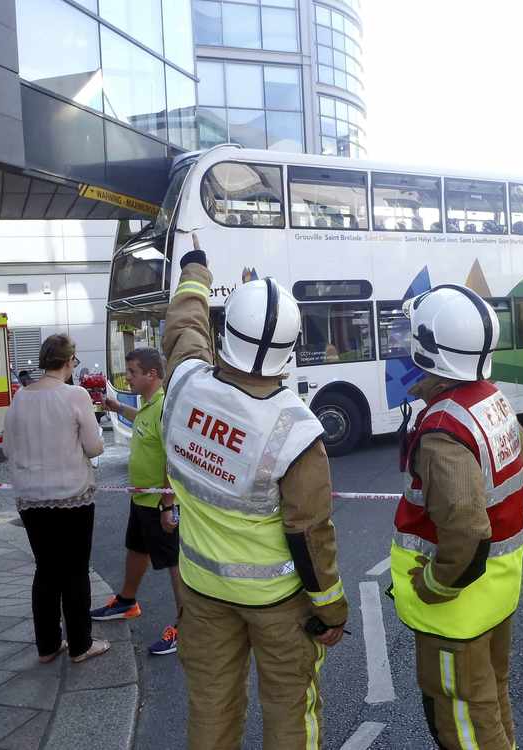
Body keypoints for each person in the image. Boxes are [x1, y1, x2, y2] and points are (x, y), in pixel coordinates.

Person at [161, 241, 348, 749]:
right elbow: (311, 533)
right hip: (277, 606)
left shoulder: (183, 383)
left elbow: (182, 328)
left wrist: (195, 271)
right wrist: (331, 610)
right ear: (290, 352)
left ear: (224, 335)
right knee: (290, 711)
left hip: (201, 593)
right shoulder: (296, 429)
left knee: (211, 710)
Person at [390, 284, 523, 750]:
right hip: (495, 591)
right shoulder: (488, 398)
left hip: (456, 607)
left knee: (461, 717)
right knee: (490, 699)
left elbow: (469, 532)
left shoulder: (441, 430)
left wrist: (433, 586)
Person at [2, 334, 109, 664]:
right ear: (69, 361)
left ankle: (47, 645)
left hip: (31, 500)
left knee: (46, 571)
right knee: (75, 571)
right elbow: (94, 447)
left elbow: (7, 448)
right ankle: (80, 643)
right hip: (71, 495)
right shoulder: (74, 395)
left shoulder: (20, 398)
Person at [92, 348, 181, 656]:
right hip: (142, 498)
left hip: (159, 503)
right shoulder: (148, 406)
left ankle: (187, 626)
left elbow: (174, 459)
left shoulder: (164, 407)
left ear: (151, 375)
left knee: (174, 564)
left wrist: (168, 505)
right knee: (136, 548)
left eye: (132, 372)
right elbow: (142, 422)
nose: (127, 378)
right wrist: (117, 407)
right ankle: (127, 601)